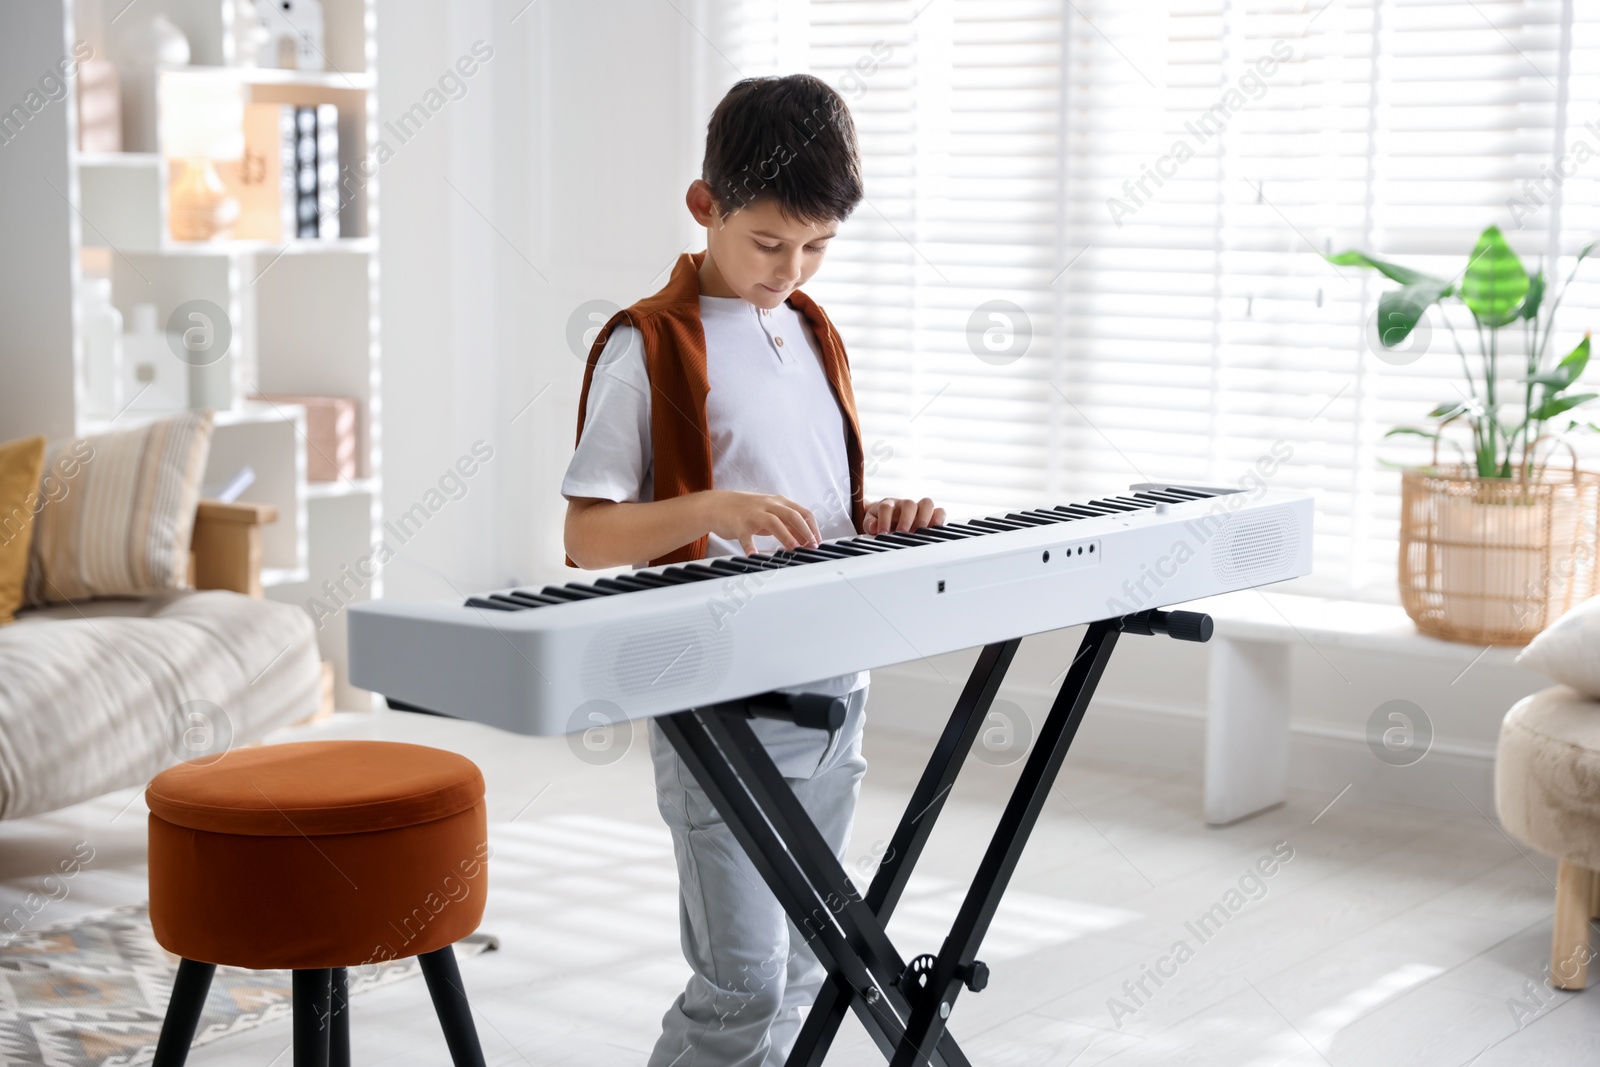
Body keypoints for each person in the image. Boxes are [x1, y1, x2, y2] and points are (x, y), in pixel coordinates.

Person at [560, 74, 947, 1066]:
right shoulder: (648, 346)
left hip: (833, 690)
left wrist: (871, 517)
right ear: (705, 206)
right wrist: (708, 510)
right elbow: (589, 534)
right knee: (742, 983)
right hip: (722, 704)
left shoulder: (813, 330)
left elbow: (804, 509)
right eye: (769, 243)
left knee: (822, 964)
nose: (790, 269)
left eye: (816, 247)